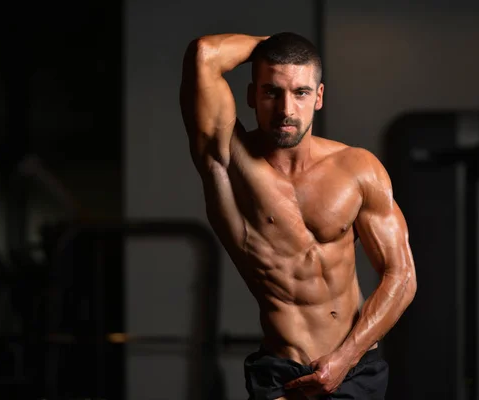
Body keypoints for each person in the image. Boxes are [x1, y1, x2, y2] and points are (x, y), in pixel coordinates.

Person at [179, 32, 417, 400]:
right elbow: (205, 54)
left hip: (354, 368)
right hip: (281, 374)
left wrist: (344, 358)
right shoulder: (227, 162)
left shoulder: (358, 169)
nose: (287, 109)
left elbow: (401, 276)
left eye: (301, 92)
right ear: (251, 96)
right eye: (272, 91)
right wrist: (274, 43)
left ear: (319, 97)